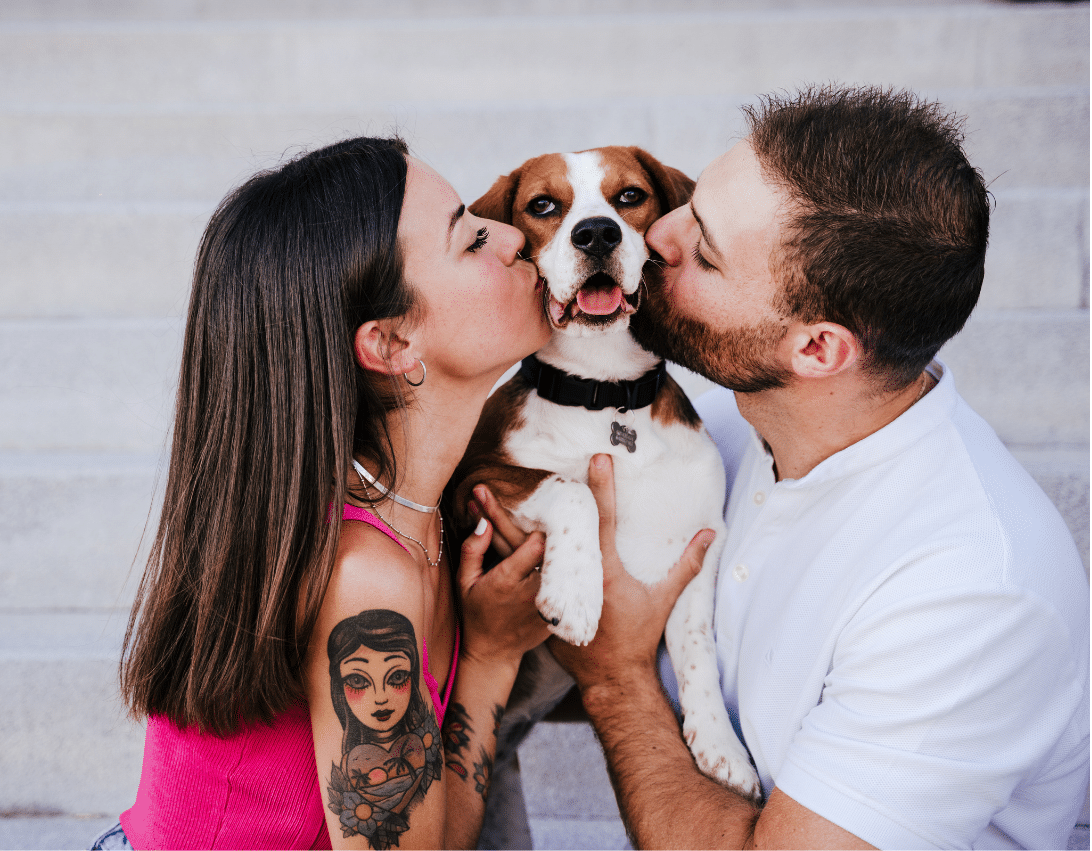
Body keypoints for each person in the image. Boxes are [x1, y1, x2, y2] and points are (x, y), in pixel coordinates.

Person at [498, 85, 1088, 849]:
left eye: (704, 249)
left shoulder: (966, 594)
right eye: (690, 203)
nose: (657, 235)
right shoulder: (718, 433)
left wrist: (616, 680)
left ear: (817, 348)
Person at [96, 136, 553, 850]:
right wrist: (491, 663)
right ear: (393, 344)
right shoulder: (364, 575)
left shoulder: (417, 514)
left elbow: (421, 830)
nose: (514, 235)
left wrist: (490, 654)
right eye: (469, 238)